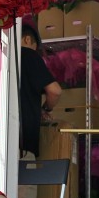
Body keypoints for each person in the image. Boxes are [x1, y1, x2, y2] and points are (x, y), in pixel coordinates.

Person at [19, 21, 62, 159]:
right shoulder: (28, 55)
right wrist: (46, 109)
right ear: (27, 39)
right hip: (21, 141)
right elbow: (55, 91)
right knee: (22, 180)